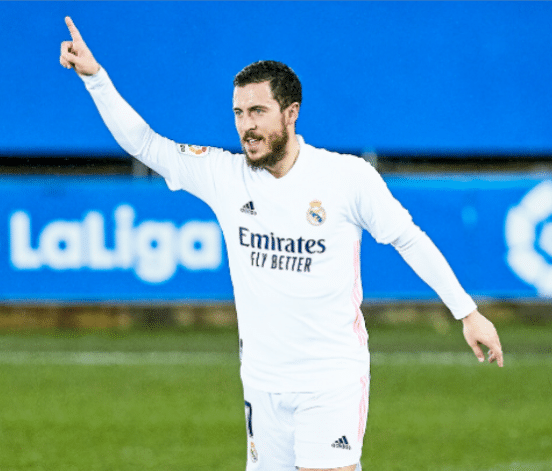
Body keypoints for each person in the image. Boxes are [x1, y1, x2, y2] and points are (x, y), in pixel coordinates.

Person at [59, 16, 504, 471]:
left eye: (258, 111)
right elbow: (147, 145)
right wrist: (96, 79)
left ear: (291, 113)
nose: (246, 126)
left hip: (330, 379)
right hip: (262, 384)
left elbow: (409, 239)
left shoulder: (346, 177)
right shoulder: (224, 175)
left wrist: (467, 313)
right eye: (238, 113)